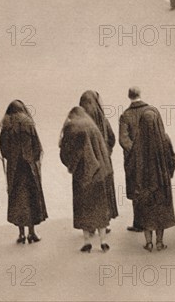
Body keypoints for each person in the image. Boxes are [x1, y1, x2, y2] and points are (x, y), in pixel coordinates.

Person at [60, 107, 113, 253]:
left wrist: (70, 165)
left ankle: (87, 242)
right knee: (100, 207)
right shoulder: (92, 126)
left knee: (83, 208)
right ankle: (103, 241)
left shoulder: (72, 126)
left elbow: (65, 152)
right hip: (99, 174)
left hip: (82, 175)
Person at [0, 100, 48, 244]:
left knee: (17, 200)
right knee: (31, 199)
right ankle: (32, 233)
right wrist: (34, 160)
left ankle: (21, 234)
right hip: (29, 167)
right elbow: (37, 147)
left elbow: (3, 150)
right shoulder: (28, 123)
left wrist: (13, 157)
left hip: (14, 168)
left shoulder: (6, 124)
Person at [128, 107, 175, 252]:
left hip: (143, 184)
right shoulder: (164, 139)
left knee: (146, 213)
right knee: (160, 213)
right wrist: (169, 174)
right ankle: (160, 242)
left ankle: (148, 243)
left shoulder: (137, 142)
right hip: (161, 183)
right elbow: (172, 159)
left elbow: (131, 164)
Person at [79, 91, 119, 226]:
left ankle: (90, 225)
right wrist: (106, 152)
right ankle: (104, 223)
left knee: (88, 195)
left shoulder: (80, 123)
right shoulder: (103, 120)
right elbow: (112, 139)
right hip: (104, 163)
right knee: (104, 194)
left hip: (86, 165)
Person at [119, 87, 152, 232]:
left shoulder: (126, 115)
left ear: (129, 96)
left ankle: (138, 223)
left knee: (136, 189)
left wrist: (135, 151)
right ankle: (151, 221)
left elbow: (123, 139)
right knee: (150, 187)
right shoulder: (151, 111)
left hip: (133, 160)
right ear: (140, 94)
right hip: (150, 157)